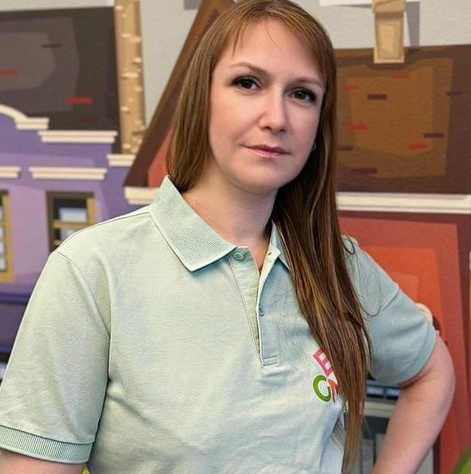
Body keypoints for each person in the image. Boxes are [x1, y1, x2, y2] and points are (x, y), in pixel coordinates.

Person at [0, 0, 454, 472]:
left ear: (319, 126)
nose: (276, 118)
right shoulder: (93, 271)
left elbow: (431, 372)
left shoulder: (337, 264)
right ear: (202, 98)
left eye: (302, 94)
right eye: (248, 83)